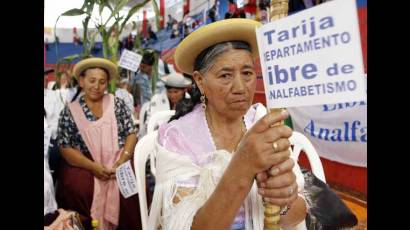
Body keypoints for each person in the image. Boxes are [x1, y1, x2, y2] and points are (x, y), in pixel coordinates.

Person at [148, 19, 308, 229]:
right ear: (200, 81)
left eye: (247, 73)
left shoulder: (263, 123)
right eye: (225, 75)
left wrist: (283, 199)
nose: (241, 87)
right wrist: (243, 165)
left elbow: (297, 215)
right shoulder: (177, 137)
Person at [56, 57, 141, 229]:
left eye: (102, 82)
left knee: (133, 189)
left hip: (118, 159)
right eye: (91, 81)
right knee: (77, 187)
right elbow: (65, 147)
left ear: (107, 83)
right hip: (84, 163)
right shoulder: (70, 111)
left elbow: (131, 133)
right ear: (81, 81)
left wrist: (123, 160)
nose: (96, 86)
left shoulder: (117, 104)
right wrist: (92, 166)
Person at [138, 72, 192, 138]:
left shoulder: (190, 102)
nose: (172, 95)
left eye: (176, 92)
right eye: (169, 92)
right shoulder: (156, 99)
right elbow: (151, 121)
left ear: (184, 90)